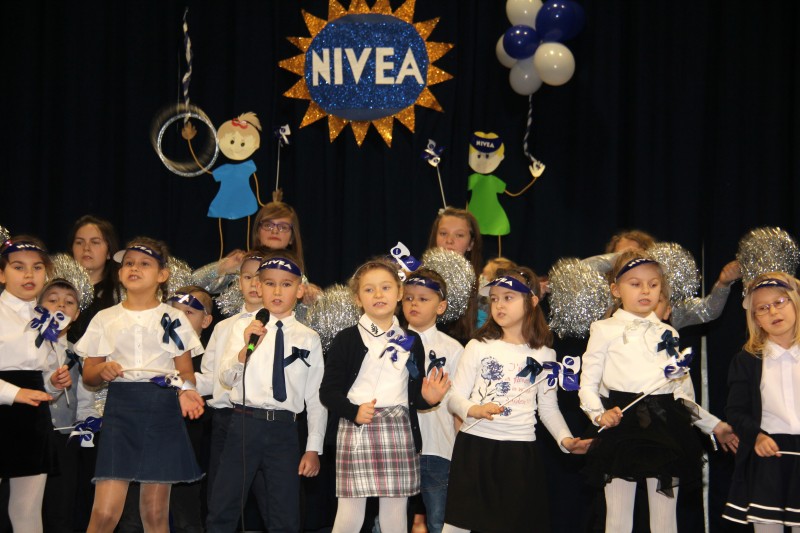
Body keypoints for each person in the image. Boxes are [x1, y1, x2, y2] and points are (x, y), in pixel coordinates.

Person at [579, 253, 736, 533]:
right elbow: (588, 383)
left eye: (653, 284)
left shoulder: (668, 333)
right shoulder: (603, 329)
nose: (645, 290)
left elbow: (679, 394)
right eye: (635, 284)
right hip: (622, 421)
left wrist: (713, 425)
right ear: (616, 290)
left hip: (665, 425)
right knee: (618, 517)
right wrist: (599, 415)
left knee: (665, 518)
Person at [441, 267, 589, 533]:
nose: (499, 304)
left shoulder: (545, 355)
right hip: (475, 447)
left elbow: (548, 408)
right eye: (494, 298)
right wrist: (474, 409)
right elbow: (454, 398)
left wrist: (566, 440)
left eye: (508, 298)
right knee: (457, 526)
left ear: (532, 301)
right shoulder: (478, 346)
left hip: (519, 452)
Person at [76, 238, 205, 533]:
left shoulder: (173, 318)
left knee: (155, 513)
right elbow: (89, 375)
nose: (134, 268)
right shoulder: (105, 318)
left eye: (144, 263)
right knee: (104, 513)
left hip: (161, 410)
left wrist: (186, 391)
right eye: (129, 263)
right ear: (120, 272)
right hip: (121, 410)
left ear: (162, 275)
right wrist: (102, 370)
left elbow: (185, 371)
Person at [319, 258, 451, 533]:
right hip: (357, 426)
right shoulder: (347, 339)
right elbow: (328, 392)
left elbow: (413, 395)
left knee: (395, 511)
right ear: (358, 298)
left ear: (399, 293)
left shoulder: (411, 340)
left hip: (398, 427)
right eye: (369, 289)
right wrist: (353, 411)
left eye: (386, 287)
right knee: (350, 511)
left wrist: (430, 398)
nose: (378, 294)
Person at [207, 251, 326, 533]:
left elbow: (316, 398)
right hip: (244, 424)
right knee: (224, 507)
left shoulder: (309, 338)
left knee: (284, 513)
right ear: (259, 288)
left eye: (286, 284)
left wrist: (313, 448)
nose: (277, 291)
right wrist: (244, 350)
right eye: (270, 283)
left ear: (299, 290)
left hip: (284, 431)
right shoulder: (243, 327)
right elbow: (225, 378)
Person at [0, 236, 73, 533]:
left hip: (31, 417)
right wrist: (14, 393)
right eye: (19, 267)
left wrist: (53, 383)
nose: (29, 274)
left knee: (27, 509)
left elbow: (44, 377)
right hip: (7, 402)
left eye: (37, 267)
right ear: (2, 274)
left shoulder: (47, 319)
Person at [723, 272, 800, 530]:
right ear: (755, 318)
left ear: (795, 303)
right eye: (763, 308)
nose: (773, 312)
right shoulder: (747, 361)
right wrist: (756, 437)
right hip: (769, 455)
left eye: (780, 302)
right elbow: (735, 410)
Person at [401, 268, 464, 533]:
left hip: (438, 447)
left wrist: (461, 450)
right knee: (390, 519)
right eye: (408, 298)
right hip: (397, 445)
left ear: (441, 307)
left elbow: (460, 402)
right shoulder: (390, 342)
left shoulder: (453, 348)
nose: (414, 303)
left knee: (440, 520)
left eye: (423, 299)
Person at [40, 274, 100, 533]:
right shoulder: (24, 349)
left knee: (61, 507)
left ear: (76, 315)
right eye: (52, 300)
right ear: (38, 308)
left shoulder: (78, 353)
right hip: (31, 436)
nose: (60, 306)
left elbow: (86, 397)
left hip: (65, 439)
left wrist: (87, 425)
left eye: (69, 302)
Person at [167, 286, 215, 533]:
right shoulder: (158, 349)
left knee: (188, 513)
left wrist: (184, 385)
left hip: (195, 437)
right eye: (175, 311)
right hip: (158, 433)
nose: (180, 317)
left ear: (205, 321)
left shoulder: (211, 352)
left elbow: (218, 382)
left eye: (189, 312)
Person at [426, 207, 483, 344]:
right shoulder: (417, 280)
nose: (449, 240)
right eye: (443, 233)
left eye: (459, 235)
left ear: (470, 244)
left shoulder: (483, 288)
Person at [68, 215, 122, 342]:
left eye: (95, 242)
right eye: (79, 242)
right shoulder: (57, 288)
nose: (86, 248)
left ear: (109, 252)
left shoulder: (120, 293)